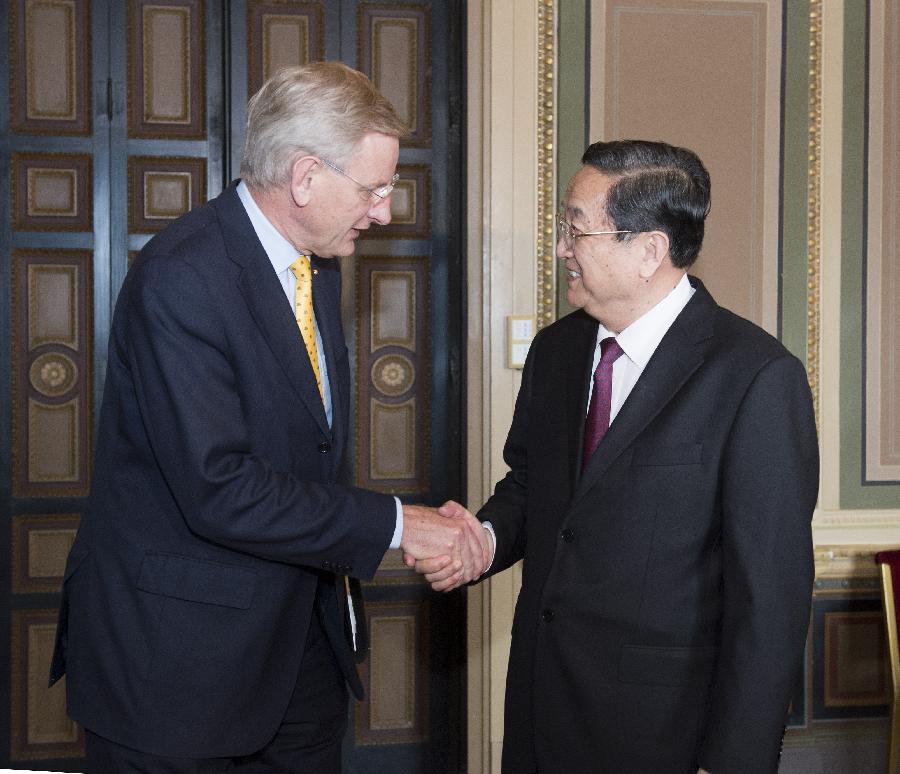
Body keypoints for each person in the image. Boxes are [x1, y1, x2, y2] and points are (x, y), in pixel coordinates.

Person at [49, 61, 487, 773]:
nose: (385, 210)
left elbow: (305, 446)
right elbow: (219, 487)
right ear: (306, 176)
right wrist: (403, 523)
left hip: (299, 657)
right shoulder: (183, 276)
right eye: (374, 188)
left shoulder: (317, 264)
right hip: (179, 670)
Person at [418, 140, 819, 773]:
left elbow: (770, 600)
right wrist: (487, 540)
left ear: (649, 250)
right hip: (541, 708)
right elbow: (532, 488)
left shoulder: (756, 377)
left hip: (663, 734)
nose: (561, 249)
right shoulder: (555, 353)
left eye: (575, 229)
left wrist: (735, 761)